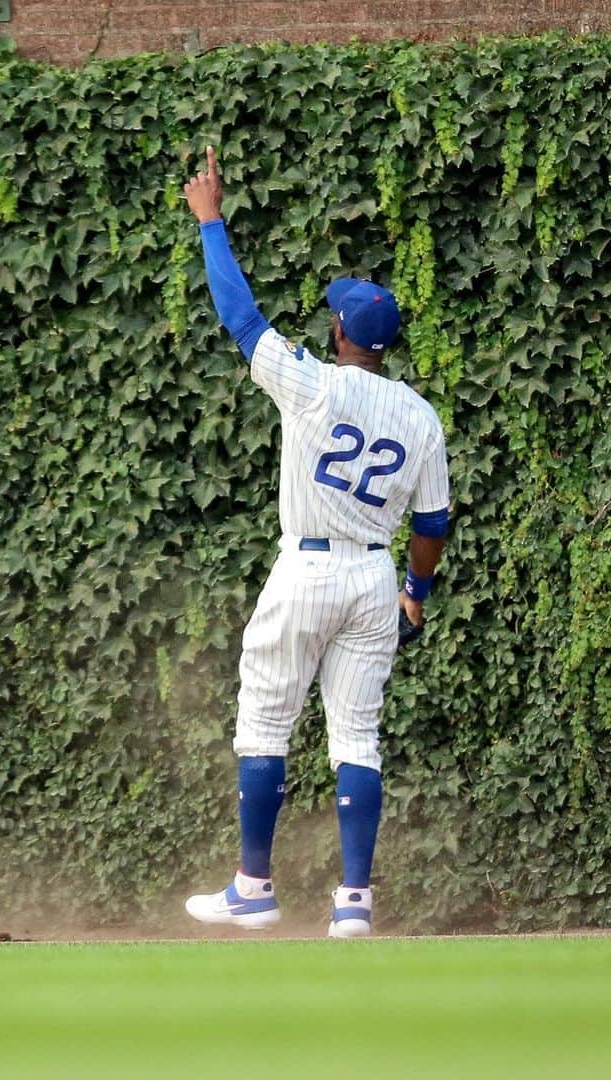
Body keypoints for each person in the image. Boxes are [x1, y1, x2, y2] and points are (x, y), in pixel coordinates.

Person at [181, 148, 449, 937]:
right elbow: (431, 526)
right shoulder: (420, 416)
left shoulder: (311, 382)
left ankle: (253, 887)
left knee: (265, 723)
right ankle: (354, 904)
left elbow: (240, 317)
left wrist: (211, 222)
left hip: (307, 567)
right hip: (373, 578)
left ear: (338, 333)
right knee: (355, 734)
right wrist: (417, 592)